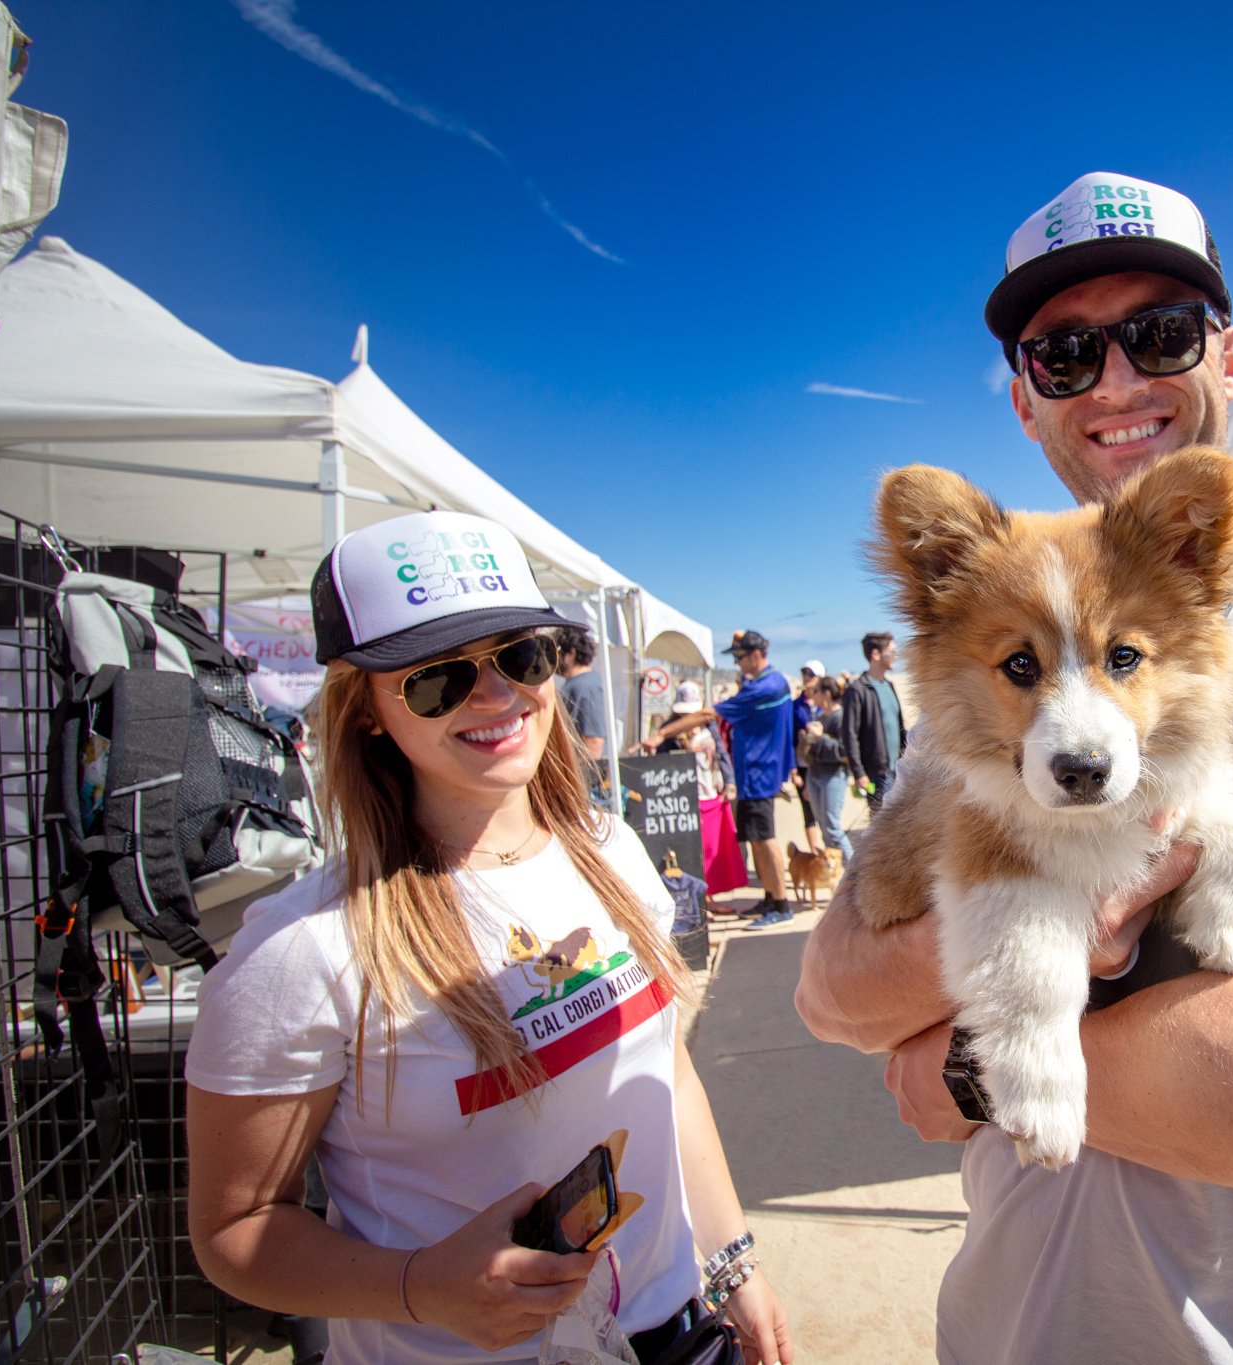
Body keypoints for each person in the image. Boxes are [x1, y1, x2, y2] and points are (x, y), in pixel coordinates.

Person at [795, 170, 1233, 1363]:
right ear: (1026, 404)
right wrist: (1040, 934)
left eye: (1160, 334)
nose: (1118, 381)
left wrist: (967, 1071)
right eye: (1065, 354)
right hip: (1013, 1328)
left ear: (1229, 354)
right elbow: (831, 988)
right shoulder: (987, 654)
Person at [183, 510, 792, 1364]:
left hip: (675, 1328)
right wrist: (419, 1285)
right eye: (437, 676)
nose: (497, 694)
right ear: (365, 709)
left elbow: (665, 1073)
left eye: (521, 653)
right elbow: (235, 1227)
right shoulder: (303, 950)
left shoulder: (612, 849)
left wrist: (732, 1264)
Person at [642, 632, 799, 928]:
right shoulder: (768, 683)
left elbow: (707, 714)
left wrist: (663, 733)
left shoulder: (765, 686)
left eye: (739, 657)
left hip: (759, 774)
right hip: (755, 774)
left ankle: (781, 905)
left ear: (756, 654)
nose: (737, 663)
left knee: (765, 840)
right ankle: (770, 898)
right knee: (755, 839)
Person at [840, 633, 906, 808]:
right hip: (876, 773)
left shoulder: (889, 685)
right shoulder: (857, 690)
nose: (895, 656)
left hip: (899, 770)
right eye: (891, 651)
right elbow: (849, 735)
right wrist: (859, 773)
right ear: (875, 655)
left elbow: (899, 728)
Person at [555, 628, 611, 807]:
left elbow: (594, 741)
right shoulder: (579, 684)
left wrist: (577, 786)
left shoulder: (585, 686)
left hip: (583, 787)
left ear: (570, 653)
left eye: (555, 652)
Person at [801, 675, 853, 862]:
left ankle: (854, 874)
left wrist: (821, 737)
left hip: (833, 778)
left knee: (833, 828)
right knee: (824, 828)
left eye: (816, 691)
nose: (812, 695)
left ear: (826, 693)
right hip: (815, 776)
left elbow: (844, 751)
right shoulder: (819, 717)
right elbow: (812, 755)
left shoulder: (841, 717)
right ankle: (837, 873)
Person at [791, 660, 827, 856]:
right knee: (808, 810)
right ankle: (815, 853)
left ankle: (826, 854)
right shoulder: (796, 706)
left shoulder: (826, 705)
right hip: (803, 764)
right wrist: (792, 769)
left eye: (810, 674)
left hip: (823, 764)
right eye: (804, 673)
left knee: (824, 812)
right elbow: (789, 736)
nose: (806, 678)